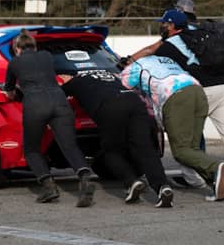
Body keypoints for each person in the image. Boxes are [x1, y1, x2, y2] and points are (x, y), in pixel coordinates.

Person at [129, 9, 224, 192]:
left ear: (171, 26)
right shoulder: (202, 35)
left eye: (163, 23)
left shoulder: (168, 46)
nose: (161, 26)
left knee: (183, 140)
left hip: (202, 92)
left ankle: (194, 179)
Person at [1, 29, 96, 206]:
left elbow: (10, 92)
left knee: (32, 150)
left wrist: (14, 92)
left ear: (16, 48)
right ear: (34, 46)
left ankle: (48, 186)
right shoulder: (46, 56)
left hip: (35, 105)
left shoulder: (14, 63)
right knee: (69, 146)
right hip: (60, 101)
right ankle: (84, 177)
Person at [120, 54, 224, 202]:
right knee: (193, 149)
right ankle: (220, 183)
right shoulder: (163, 60)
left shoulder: (135, 67)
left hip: (176, 97)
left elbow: (120, 86)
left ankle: (215, 167)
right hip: (198, 92)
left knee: (181, 151)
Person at [59, 70, 174, 207]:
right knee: (145, 148)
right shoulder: (107, 73)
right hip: (135, 102)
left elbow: (56, 93)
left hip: (111, 105)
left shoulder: (75, 81)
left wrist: (64, 82)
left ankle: (131, 181)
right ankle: (162, 187)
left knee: (110, 151)